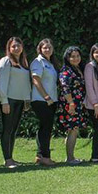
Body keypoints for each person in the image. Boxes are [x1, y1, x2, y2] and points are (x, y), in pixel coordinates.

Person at [0, 36, 32, 169]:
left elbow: (26, 83)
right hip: (9, 100)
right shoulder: (6, 61)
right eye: (13, 46)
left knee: (13, 130)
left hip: (20, 101)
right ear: (9, 48)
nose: (16, 48)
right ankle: (7, 160)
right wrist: (4, 101)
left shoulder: (23, 62)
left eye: (18, 46)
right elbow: (1, 82)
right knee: (7, 130)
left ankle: (11, 157)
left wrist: (27, 99)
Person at [30, 39, 59, 167]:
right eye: (45, 48)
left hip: (51, 100)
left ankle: (39, 156)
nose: (47, 50)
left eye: (49, 48)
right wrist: (46, 97)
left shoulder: (50, 63)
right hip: (41, 100)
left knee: (45, 127)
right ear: (40, 49)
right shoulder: (38, 62)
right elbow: (36, 80)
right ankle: (45, 157)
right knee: (46, 128)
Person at [57, 46, 87, 165]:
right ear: (67, 58)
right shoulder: (66, 70)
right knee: (73, 129)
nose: (75, 58)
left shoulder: (78, 69)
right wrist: (71, 103)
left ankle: (71, 156)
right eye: (72, 56)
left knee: (74, 129)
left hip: (78, 104)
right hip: (70, 104)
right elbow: (65, 88)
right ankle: (70, 158)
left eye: (77, 56)